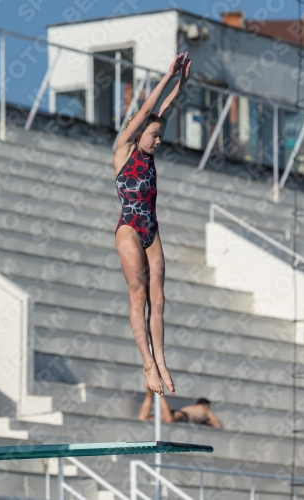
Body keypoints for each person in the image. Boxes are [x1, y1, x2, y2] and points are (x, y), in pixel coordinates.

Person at [113, 52, 192, 397]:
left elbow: (163, 112)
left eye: (160, 137)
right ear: (139, 133)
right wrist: (167, 75)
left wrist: (182, 83)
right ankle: (146, 361)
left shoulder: (149, 153)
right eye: (154, 137)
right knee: (139, 294)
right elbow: (147, 111)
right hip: (129, 227)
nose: (158, 141)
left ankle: (160, 359)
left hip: (152, 230)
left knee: (158, 300)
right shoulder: (124, 150)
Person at [138, 386, 223, 428]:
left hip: (177, 413)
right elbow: (219, 425)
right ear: (206, 405)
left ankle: (149, 395)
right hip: (182, 416)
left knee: (143, 418)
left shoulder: (192, 408)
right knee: (169, 419)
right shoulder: (204, 409)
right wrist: (209, 422)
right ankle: (159, 393)